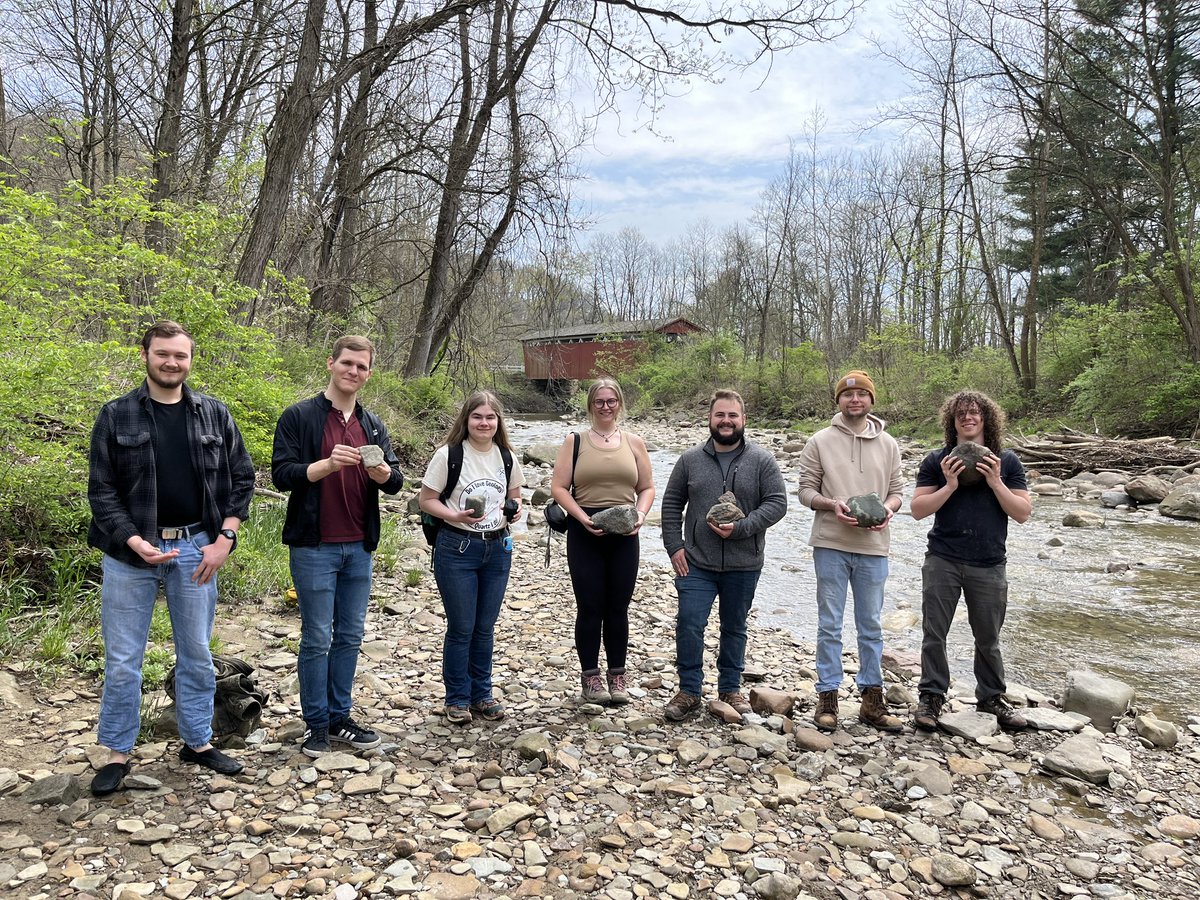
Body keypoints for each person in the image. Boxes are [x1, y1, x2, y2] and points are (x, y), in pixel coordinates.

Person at [87, 321, 256, 796]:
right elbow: (101, 492)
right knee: (124, 660)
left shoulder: (213, 415)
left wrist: (225, 538)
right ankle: (118, 752)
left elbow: (243, 480)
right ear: (145, 355)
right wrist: (131, 540)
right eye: (162, 354)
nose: (171, 363)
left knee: (197, 654)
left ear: (190, 359)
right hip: (130, 555)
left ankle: (198, 742)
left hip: (195, 549)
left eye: (180, 355)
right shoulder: (116, 415)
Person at [272, 335, 404, 757]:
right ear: (331, 363)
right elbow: (281, 474)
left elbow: (397, 482)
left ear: (368, 373)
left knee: (349, 635)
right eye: (347, 363)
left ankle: (339, 716)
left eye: (362, 367)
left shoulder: (372, 423)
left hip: (358, 547)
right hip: (314, 546)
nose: (354, 371)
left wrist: (383, 474)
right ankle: (316, 724)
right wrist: (326, 464)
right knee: (316, 637)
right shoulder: (300, 417)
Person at [660, 389, 788, 722]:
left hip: (744, 563)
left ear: (743, 420)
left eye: (732, 415)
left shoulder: (762, 460)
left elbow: (777, 504)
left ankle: (730, 688)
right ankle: (689, 690)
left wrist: (744, 526)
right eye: (720, 415)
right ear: (710, 419)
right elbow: (672, 504)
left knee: (735, 627)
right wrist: (674, 547)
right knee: (689, 623)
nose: (726, 421)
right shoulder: (689, 460)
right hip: (696, 561)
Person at [909, 390, 1032, 731]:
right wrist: (948, 485)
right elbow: (917, 510)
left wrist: (995, 481)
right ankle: (932, 696)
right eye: (961, 413)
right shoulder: (938, 460)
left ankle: (991, 697)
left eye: (974, 412)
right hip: (943, 559)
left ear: (986, 418)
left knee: (988, 637)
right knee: (935, 633)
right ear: (952, 420)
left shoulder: (1006, 461)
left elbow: (1022, 512)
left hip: (989, 562)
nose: (968, 418)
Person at [797, 370, 905, 732]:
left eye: (861, 394)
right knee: (829, 623)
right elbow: (805, 492)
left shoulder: (889, 444)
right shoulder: (819, 441)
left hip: (875, 547)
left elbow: (897, 492)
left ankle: (872, 700)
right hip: (831, 543)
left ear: (872, 400)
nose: (854, 399)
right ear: (838, 401)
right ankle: (827, 697)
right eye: (847, 395)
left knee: (871, 625)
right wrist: (831, 504)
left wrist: (888, 510)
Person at [419, 391, 525, 725]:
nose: (484, 423)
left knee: (485, 627)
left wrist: (516, 509)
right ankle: (457, 698)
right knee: (462, 627)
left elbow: (516, 494)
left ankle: (482, 694)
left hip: (497, 549)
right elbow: (426, 500)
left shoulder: (505, 455)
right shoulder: (449, 455)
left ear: (498, 422)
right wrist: (456, 515)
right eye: (477, 417)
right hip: (457, 547)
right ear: (466, 420)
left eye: (490, 417)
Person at [550, 378, 654, 705]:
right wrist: (581, 517)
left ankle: (618, 676)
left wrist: (640, 515)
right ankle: (590, 678)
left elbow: (647, 488)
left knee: (618, 607)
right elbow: (559, 488)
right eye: (599, 402)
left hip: (625, 532)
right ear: (590, 405)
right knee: (591, 606)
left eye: (611, 401)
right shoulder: (575, 441)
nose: (605, 407)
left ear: (619, 404)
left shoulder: (634, 442)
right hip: (586, 531)